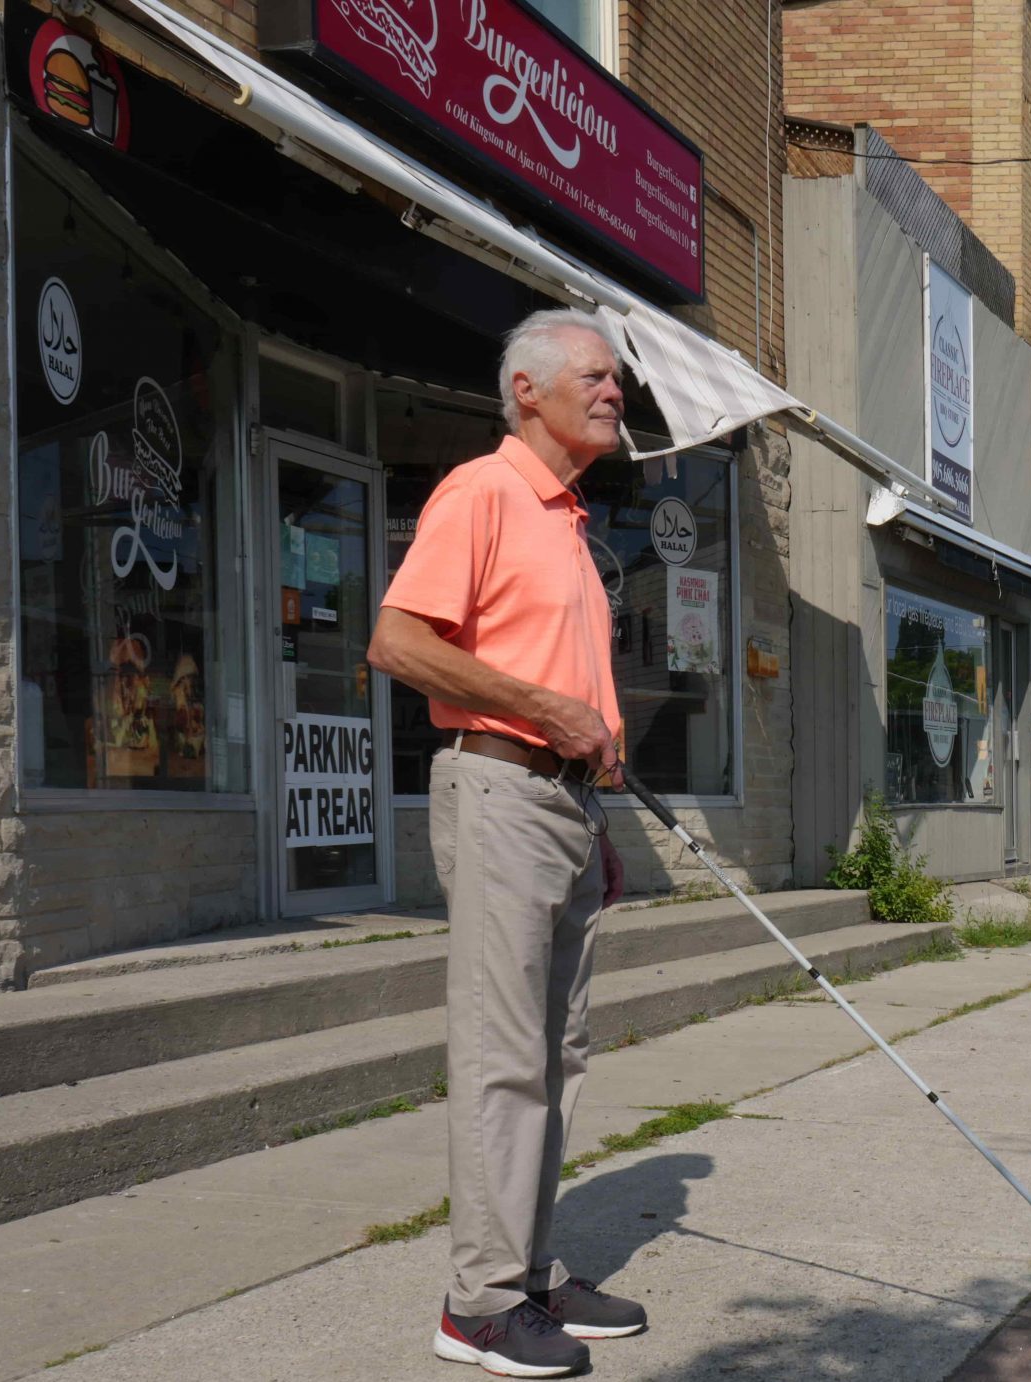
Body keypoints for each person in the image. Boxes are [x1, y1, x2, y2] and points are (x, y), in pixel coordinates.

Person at [369, 309, 648, 1378]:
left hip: (566, 807)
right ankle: (478, 1303)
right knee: (502, 1055)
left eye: (616, 376)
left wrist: (597, 808)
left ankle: (527, 1268)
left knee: (554, 1052)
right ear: (526, 390)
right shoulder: (484, 490)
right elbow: (397, 641)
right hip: (499, 788)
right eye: (595, 374)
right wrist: (547, 711)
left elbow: (575, 694)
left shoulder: (568, 517)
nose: (615, 389)